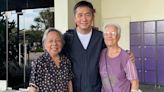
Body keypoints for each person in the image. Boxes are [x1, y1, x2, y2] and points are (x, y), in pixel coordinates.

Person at [63, 1, 135, 92]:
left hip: (96, 88)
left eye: (88, 15)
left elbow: (113, 51)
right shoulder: (67, 38)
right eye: (80, 15)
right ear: (75, 18)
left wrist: (127, 54)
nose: (84, 19)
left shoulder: (101, 37)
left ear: (93, 17)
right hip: (73, 88)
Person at [28, 28, 73, 92]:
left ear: (62, 43)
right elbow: (33, 88)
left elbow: (69, 82)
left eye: (58, 40)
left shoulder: (66, 61)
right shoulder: (39, 63)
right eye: (50, 41)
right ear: (44, 44)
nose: (54, 44)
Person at [99, 23, 139, 92]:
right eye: (106, 33)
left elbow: (134, 82)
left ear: (118, 36)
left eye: (113, 33)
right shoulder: (101, 54)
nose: (109, 36)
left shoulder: (126, 56)